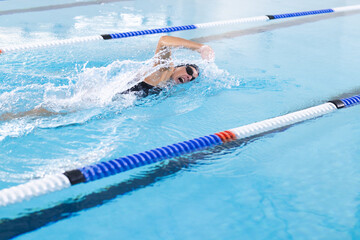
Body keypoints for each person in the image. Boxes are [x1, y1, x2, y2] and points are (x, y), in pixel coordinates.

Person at [0, 36, 215, 120]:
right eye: (188, 71)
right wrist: (200, 48)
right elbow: (165, 40)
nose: (188, 77)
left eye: (192, 78)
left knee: (56, 110)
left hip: (108, 98)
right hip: (100, 100)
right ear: (179, 66)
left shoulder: (167, 86)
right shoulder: (164, 69)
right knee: (50, 113)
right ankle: (9, 116)